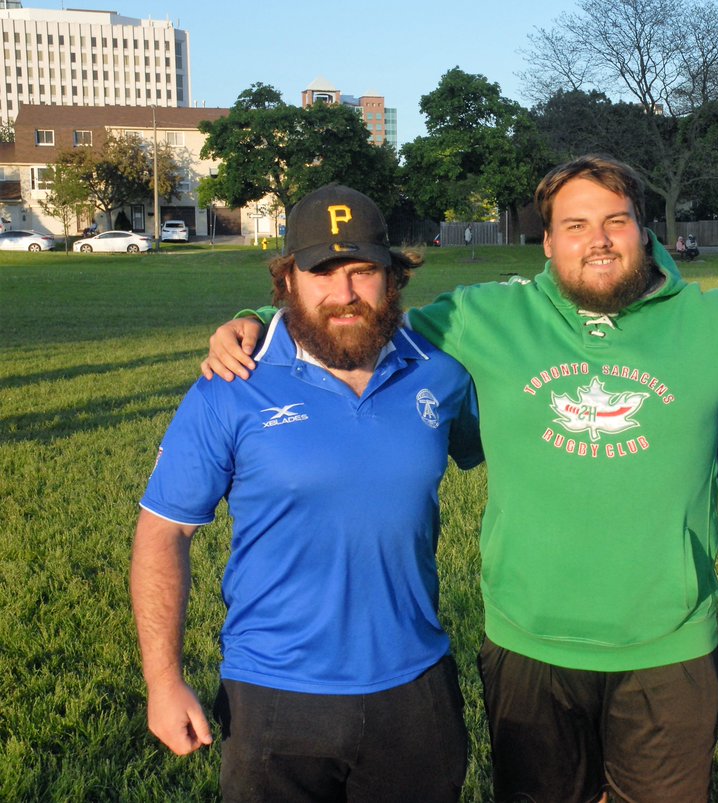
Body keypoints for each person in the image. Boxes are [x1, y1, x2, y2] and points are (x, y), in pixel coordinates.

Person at [202, 156, 718, 803]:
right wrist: (251, 318)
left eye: (614, 221)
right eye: (574, 225)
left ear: (643, 230)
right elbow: (351, 314)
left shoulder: (714, 325)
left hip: (667, 648)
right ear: (546, 242)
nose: (596, 240)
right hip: (530, 644)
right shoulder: (481, 319)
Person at [131, 184, 482, 802]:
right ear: (287, 280)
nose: (344, 294)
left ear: (393, 278)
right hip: (272, 696)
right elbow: (165, 532)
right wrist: (163, 681)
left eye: (362, 271)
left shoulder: (443, 372)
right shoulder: (230, 384)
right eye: (322, 272)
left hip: (415, 686)